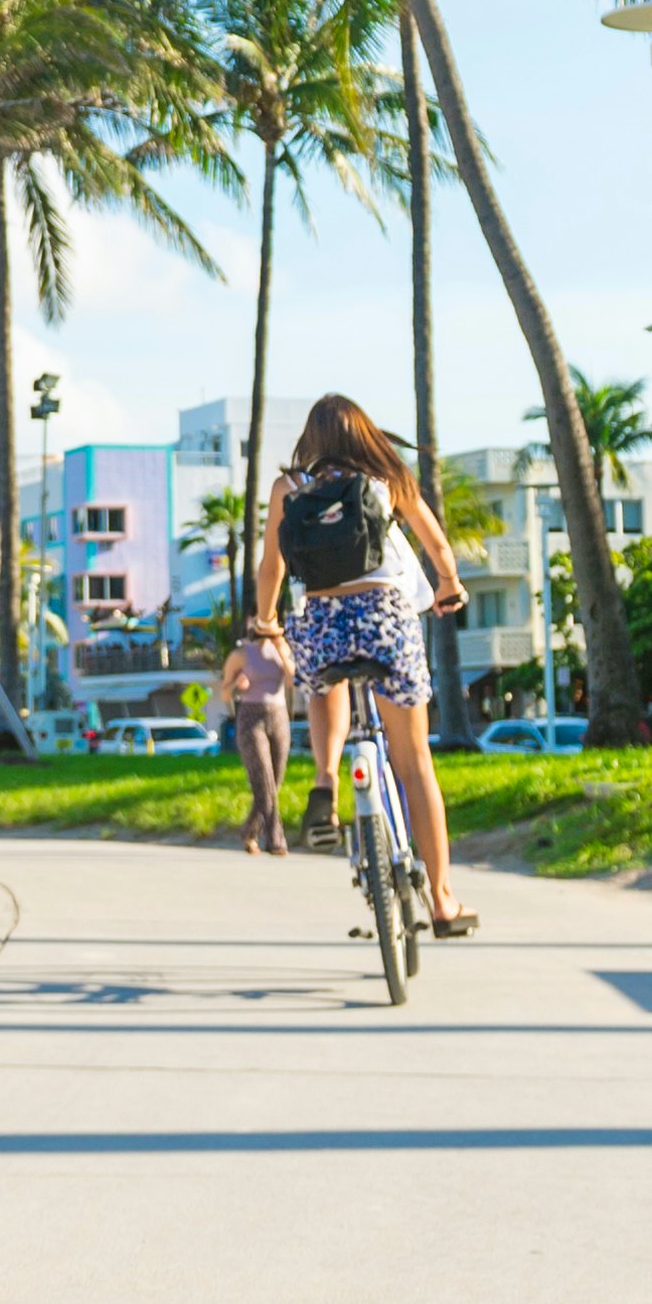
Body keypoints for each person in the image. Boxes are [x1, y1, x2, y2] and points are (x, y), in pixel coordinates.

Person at [243, 393, 476, 938]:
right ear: (364, 434)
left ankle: (326, 782)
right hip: (386, 616)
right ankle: (442, 900)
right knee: (414, 760)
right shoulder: (388, 476)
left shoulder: (290, 487)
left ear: (312, 440)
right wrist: (449, 586)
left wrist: (266, 621)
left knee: (326, 680)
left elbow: (271, 566)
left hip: (323, 618)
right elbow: (437, 546)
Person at [220, 618, 294, 854]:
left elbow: (295, 681)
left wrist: (282, 651)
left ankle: (249, 831)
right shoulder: (240, 655)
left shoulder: (282, 649)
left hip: (279, 714)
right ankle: (275, 837)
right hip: (251, 717)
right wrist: (236, 685)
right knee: (263, 778)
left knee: (276, 780)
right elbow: (224, 693)